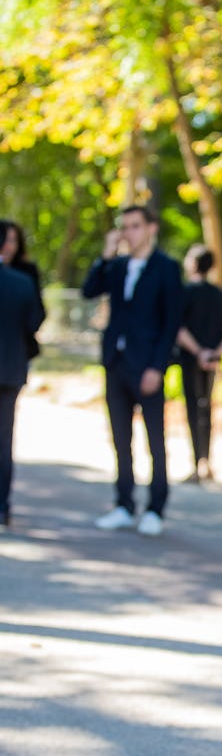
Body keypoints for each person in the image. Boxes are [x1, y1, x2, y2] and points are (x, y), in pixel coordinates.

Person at [82, 205, 182, 536]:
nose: (129, 233)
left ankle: (156, 507)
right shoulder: (118, 265)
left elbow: (170, 323)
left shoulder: (167, 268)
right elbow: (89, 290)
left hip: (148, 366)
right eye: (125, 227)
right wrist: (107, 256)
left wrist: (157, 366)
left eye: (135, 226)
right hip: (116, 362)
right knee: (120, 438)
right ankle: (124, 503)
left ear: (151, 228)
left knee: (155, 439)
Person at [176, 245, 222, 483]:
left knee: (193, 409)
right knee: (206, 409)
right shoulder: (219, 294)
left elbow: (178, 329)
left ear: (192, 264)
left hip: (191, 360)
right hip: (211, 361)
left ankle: (196, 464)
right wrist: (214, 353)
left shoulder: (183, 292)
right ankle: (207, 463)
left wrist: (198, 352)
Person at [0, 231, 43, 526]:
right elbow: (35, 321)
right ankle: (2, 505)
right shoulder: (23, 282)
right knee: (4, 440)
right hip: (11, 368)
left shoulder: (23, 279)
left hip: (11, 370)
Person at [1, 219, 46, 358]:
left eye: (13, 241)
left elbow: (36, 314)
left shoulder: (26, 274)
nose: (7, 246)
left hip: (17, 347)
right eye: (4, 240)